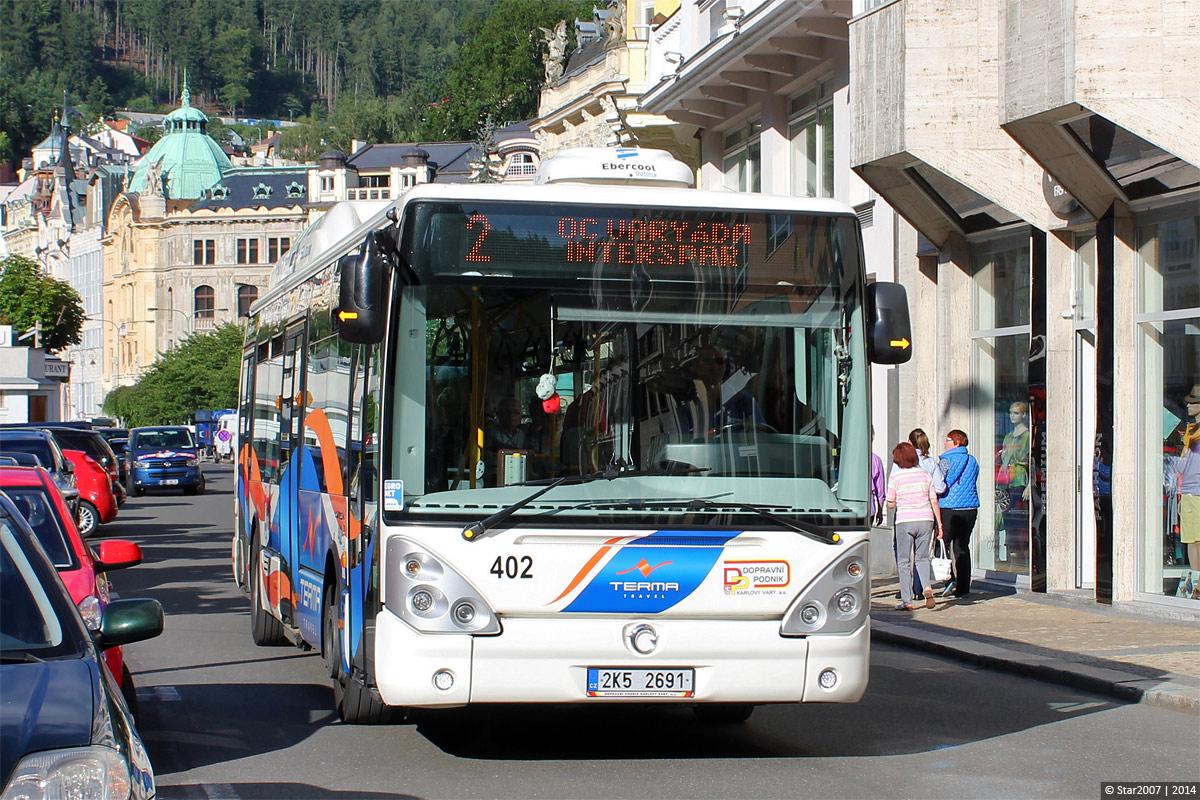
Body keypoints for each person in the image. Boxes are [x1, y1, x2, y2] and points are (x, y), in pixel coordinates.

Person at [889, 428, 946, 597]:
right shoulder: (929, 466)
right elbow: (938, 492)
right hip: (926, 517)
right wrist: (939, 524)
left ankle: (906, 597)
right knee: (922, 557)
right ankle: (923, 588)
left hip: (905, 518)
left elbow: (891, 502)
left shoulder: (897, 474)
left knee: (904, 559)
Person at [678, 343, 764, 436]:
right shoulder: (688, 410)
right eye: (708, 361)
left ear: (725, 366)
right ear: (695, 367)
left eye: (719, 361)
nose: (715, 367)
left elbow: (761, 439)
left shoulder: (744, 402)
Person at [1165, 383, 1200, 597]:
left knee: (1195, 540)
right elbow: (1185, 463)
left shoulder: (1194, 434)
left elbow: (1187, 464)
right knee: (1190, 539)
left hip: (1194, 491)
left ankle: (1197, 583)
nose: (1188, 406)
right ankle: (1196, 581)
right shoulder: (1190, 431)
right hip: (1188, 492)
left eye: (1193, 403)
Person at [939, 429, 981, 598]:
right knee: (962, 547)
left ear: (956, 442)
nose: (945, 442)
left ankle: (949, 580)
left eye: (948, 439)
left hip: (949, 507)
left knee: (942, 545)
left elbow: (940, 483)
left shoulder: (945, 460)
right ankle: (964, 587)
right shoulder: (972, 460)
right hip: (970, 508)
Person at [998, 401, 1031, 564]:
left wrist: (1031, 484)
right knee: (1007, 517)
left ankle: (1022, 551)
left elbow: (1032, 462)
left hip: (1019, 480)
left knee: (1019, 518)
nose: (1012, 416)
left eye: (1016, 413)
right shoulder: (1008, 436)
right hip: (1005, 481)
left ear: (1024, 415)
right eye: (1011, 412)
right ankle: (1011, 550)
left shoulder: (1027, 436)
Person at [870, 450, 886, 527]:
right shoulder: (875, 459)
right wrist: (880, 511)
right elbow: (880, 489)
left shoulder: (847, 458)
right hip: (868, 509)